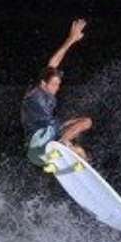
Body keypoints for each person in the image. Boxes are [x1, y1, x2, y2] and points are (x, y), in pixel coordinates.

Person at [21, 19, 93, 167]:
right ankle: (60, 146)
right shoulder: (35, 92)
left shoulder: (49, 98)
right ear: (43, 83)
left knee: (82, 141)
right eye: (54, 84)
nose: (57, 88)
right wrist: (71, 40)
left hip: (39, 151)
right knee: (81, 126)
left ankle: (79, 164)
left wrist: (71, 131)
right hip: (39, 141)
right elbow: (53, 63)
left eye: (59, 84)